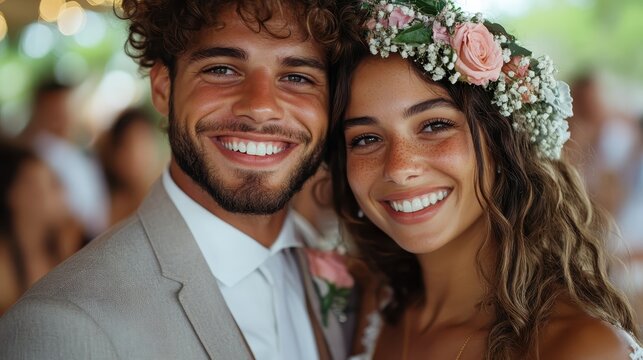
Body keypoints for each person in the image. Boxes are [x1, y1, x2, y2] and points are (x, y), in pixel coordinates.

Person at [0, 1, 356, 359]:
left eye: (297, 77)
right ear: (163, 88)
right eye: (221, 69)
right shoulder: (61, 325)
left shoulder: (357, 283)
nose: (260, 106)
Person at [327, 1, 643, 359]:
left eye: (434, 126)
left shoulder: (577, 348)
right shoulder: (374, 307)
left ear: (501, 143)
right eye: (366, 139)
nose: (399, 168)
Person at [0, 138, 75, 315]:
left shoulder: (65, 243)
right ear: (14, 195)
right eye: (52, 185)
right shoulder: (4, 263)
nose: (63, 194)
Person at [97, 108, 164, 226]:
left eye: (143, 143)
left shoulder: (166, 194)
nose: (138, 156)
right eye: (129, 147)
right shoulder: (109, 208)